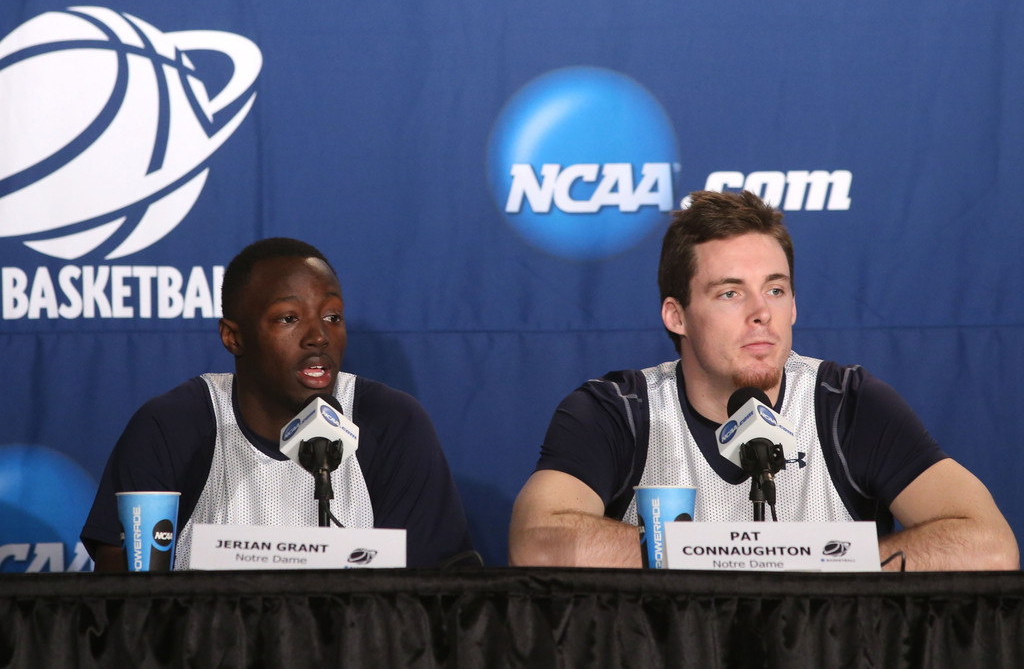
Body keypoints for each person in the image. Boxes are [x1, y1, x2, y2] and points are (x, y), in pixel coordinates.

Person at [509, 190, 1018, 571]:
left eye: (775, 290)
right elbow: (537, 540)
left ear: (794, 304)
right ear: (676, 315)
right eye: (730, 293)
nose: (761, 314)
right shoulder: (615, 411)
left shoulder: (848, 405)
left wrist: (821, 564)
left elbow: (991, 546)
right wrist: (738, 558)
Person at [82, 237, 474, 570]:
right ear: (233, 337)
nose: (318, 337)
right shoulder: (172, 426)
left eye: (333, 316)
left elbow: (434, 592)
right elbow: (124, 598)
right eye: (289, 318)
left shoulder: (391, 423)